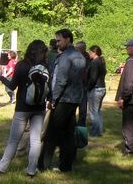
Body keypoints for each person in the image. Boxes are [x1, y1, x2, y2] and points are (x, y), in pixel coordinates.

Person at [0, 40, 49, 177]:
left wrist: (2, 78)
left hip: (23, 107)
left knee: (14, 140)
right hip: (39, 107)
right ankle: (31, 170)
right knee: (35, 140)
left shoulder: (22, 65)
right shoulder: (46, 66)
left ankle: (1, 168)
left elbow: (12, 86)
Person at [40, 28, 86, 172]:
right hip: (75, 99)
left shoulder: (66, 57)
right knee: (68, 133)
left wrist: (53, 99)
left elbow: (61, 80)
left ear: (68, 39)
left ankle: (41, 165)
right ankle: (66, 166)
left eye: (59, 40)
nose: (57, 43)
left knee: (52, 132)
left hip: (64, 99)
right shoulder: (80, 56)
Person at [86, 45, 107, 137]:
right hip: (102, 88)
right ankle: (99, 130)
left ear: (94, 53)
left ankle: (95, 132)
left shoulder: (95, 62)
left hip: (96, 89)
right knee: (98, 111)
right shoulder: (101, 62)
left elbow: (93, 78)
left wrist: (88, 88)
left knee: (93, 111)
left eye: (90, 52)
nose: (88, 54)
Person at [74, 41, 89, 127]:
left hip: (83, 85)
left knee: (82, 108)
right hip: (75, 85)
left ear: (82, 49)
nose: (76, 50)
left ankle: (81, 126)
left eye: (77, 48)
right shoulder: (74, 58)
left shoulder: (88, 59)